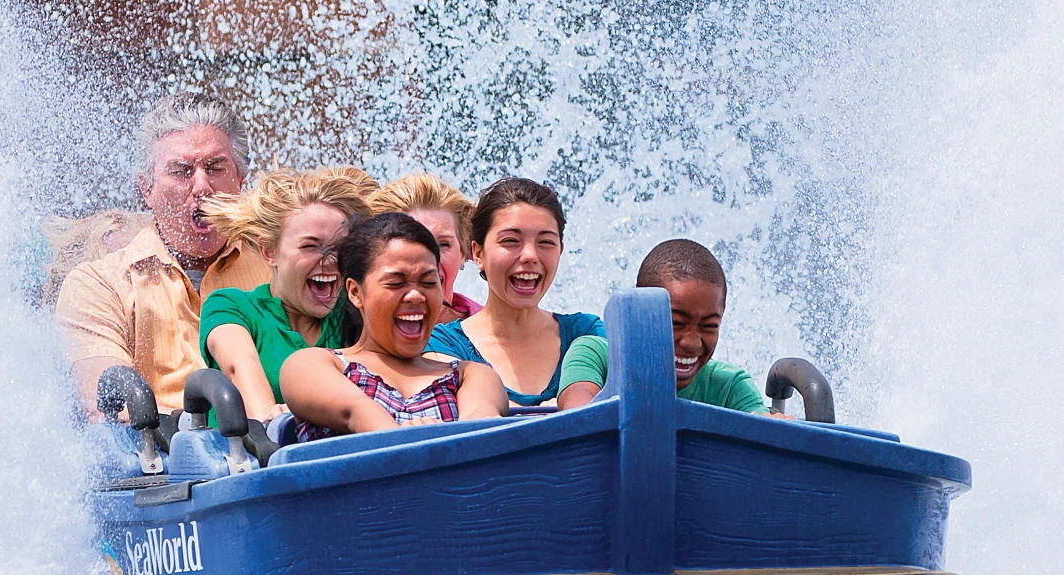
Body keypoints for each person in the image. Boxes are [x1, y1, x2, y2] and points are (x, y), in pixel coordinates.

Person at [55, 93, 268, 411]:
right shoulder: (99, 285)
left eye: (215, 167)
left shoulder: (277, 264)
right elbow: (103, 407)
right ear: (146, 190)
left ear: (240, 179)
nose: (202, 186)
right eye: (182, 171)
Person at [282, 213, 507, 438]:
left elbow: (481, 424)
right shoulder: (314, 364)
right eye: (396, 283)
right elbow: (358, 411)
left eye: (429, 282)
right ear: (355, 292)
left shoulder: (470, 374)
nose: (415, 295)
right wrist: (406, 441)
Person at [197, 167, 376, 420]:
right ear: (269, 252)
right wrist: (272, 424)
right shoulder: (231, 306)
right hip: (250, 455)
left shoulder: (355, 311)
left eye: (339, 247)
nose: (329, 260)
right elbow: (240, 366)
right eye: (310, 246)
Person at [424, 177, 603, 408]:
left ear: (561, 250)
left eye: (546, 242)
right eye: (511, 241)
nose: (530, 255)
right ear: (477, 253)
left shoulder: (585, 332)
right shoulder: (443, 344)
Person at [555, 239, 765, 413]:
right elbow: (578, 412)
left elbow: (764, 429)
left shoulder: (731, 386)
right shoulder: (595, 354)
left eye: (709, 326)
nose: (692, 342)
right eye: (676, 323)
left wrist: (772, 424)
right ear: (639, 313)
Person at [368, 172, 478, 322]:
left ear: (463, 251)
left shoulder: (495, 333)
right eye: (412, 243)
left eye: (443, 244)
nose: (431, 259)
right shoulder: (349, 329)